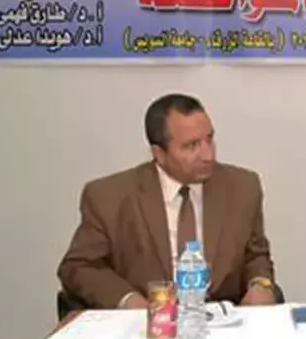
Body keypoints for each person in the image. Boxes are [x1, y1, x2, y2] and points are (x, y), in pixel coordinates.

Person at [57, 93, 278, 312]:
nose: (208, 155)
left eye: (209, 139)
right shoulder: (109, 197)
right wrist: (128, 300)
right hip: (146, 323)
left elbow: (255, 256)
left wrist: (261, 285)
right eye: (191, 146)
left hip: (222, 320)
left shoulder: (242, 188)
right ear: (159, 154)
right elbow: (79, 266)